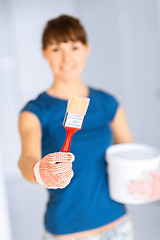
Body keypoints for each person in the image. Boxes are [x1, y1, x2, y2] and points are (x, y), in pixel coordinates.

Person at [18, 14, 137, 240]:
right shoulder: (35, 111)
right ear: (44, 53)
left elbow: (127, 154)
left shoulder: (107, 103)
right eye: (56, 49)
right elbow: (25, 160)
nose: (66, 58)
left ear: (86, 49)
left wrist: (146, 175)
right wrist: (39, 171)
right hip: (68, 231)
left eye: (74, 47)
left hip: (118, 224)